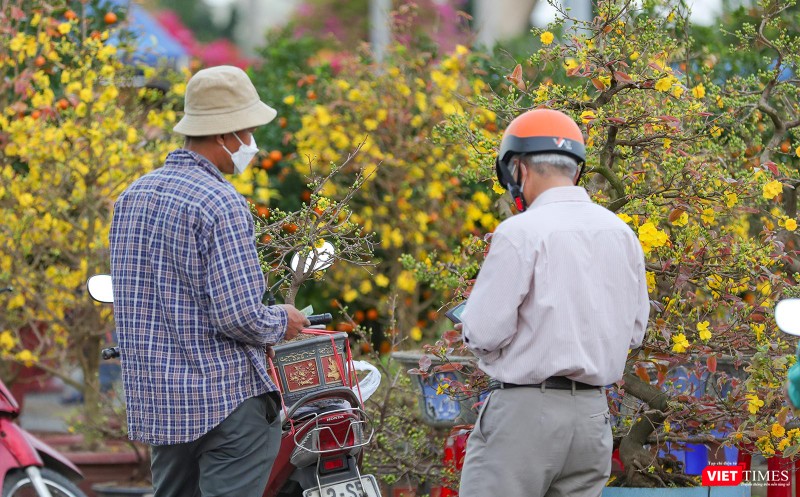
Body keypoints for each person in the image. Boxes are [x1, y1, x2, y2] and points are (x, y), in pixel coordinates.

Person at [109, 65, 309, 497]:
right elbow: (239, 316)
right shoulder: (221, 203)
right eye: (249, 133)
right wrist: (282, 321)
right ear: (225, 136)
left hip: (163, 403)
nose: (252, 145)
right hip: (225, 400)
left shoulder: (131, 198)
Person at [456, 108, 650, 497]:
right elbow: (634, 332)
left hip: (526, 414)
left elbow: (482, 332)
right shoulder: (621, 233)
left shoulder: (520, 232)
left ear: (518, 170)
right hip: (593, 418)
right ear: (576, 170)